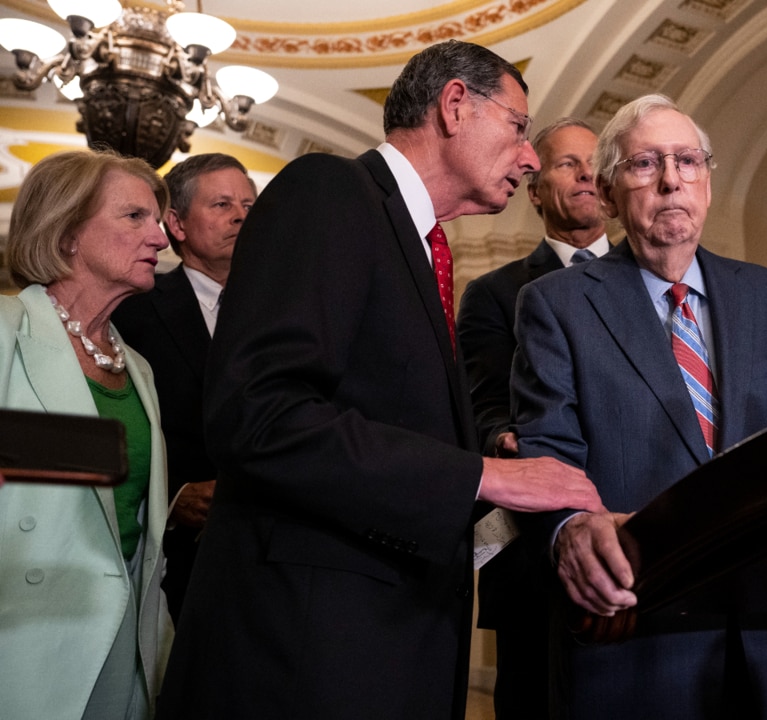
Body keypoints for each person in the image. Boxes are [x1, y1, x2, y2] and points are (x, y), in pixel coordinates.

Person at [155, 40, 605, 720]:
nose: (531, 157)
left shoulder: (422, 246)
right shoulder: (330, 191)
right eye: (518, 126)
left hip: (385, 642)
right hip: (308, 654)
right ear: (455, 105)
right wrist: (480, 476)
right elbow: (258, 413)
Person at [511, 94, 767, 720]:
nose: (672, 179)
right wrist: (571, 534)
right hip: (632, 631)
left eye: (687, 160)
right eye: (646, 164)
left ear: (707, 180)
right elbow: (549, 456)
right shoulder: (556, 305)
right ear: (607, 191)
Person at [0, 149, 173, 718]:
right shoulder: (6, 332)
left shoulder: (138, 367)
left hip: (125, 635)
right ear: (68, 231)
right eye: (134, 218)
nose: (160, 238)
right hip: (23, 635)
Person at [457, 117, 609, 720]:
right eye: (567, 164)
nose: (585, 174)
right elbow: (481, 404)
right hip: (536, 541)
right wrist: (506, 439)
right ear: (536, 188)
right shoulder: (495, 293)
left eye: (595, 162)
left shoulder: (656, 279)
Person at [112, 152, 256, 619]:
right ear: (176, 223)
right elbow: (115, 429)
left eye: (250, 206)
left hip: (272, 558)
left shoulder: (292, 314)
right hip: (175, 563)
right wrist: (171, 500)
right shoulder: (131, 311)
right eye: (221, 204)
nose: (240, 215)